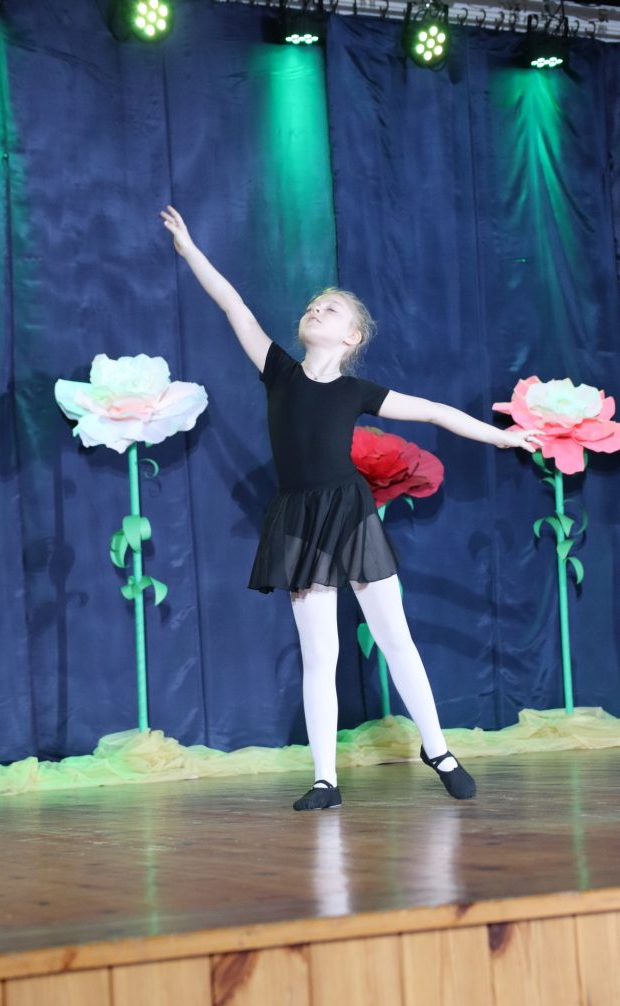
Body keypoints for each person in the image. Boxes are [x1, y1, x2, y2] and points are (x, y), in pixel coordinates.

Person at [159, 205, 543, 812]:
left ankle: (438, 749)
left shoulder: (357, 391)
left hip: (349, 512)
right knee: (320, 655)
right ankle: (325, 779)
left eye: (331, 308)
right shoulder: (279, 372)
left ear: (352, 338)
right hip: (299, 518)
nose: (316, 309)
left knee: (395, 637)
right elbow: (233, 305)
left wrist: (501, 438)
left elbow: (435, 411)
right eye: (313, 305)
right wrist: (190, 251)